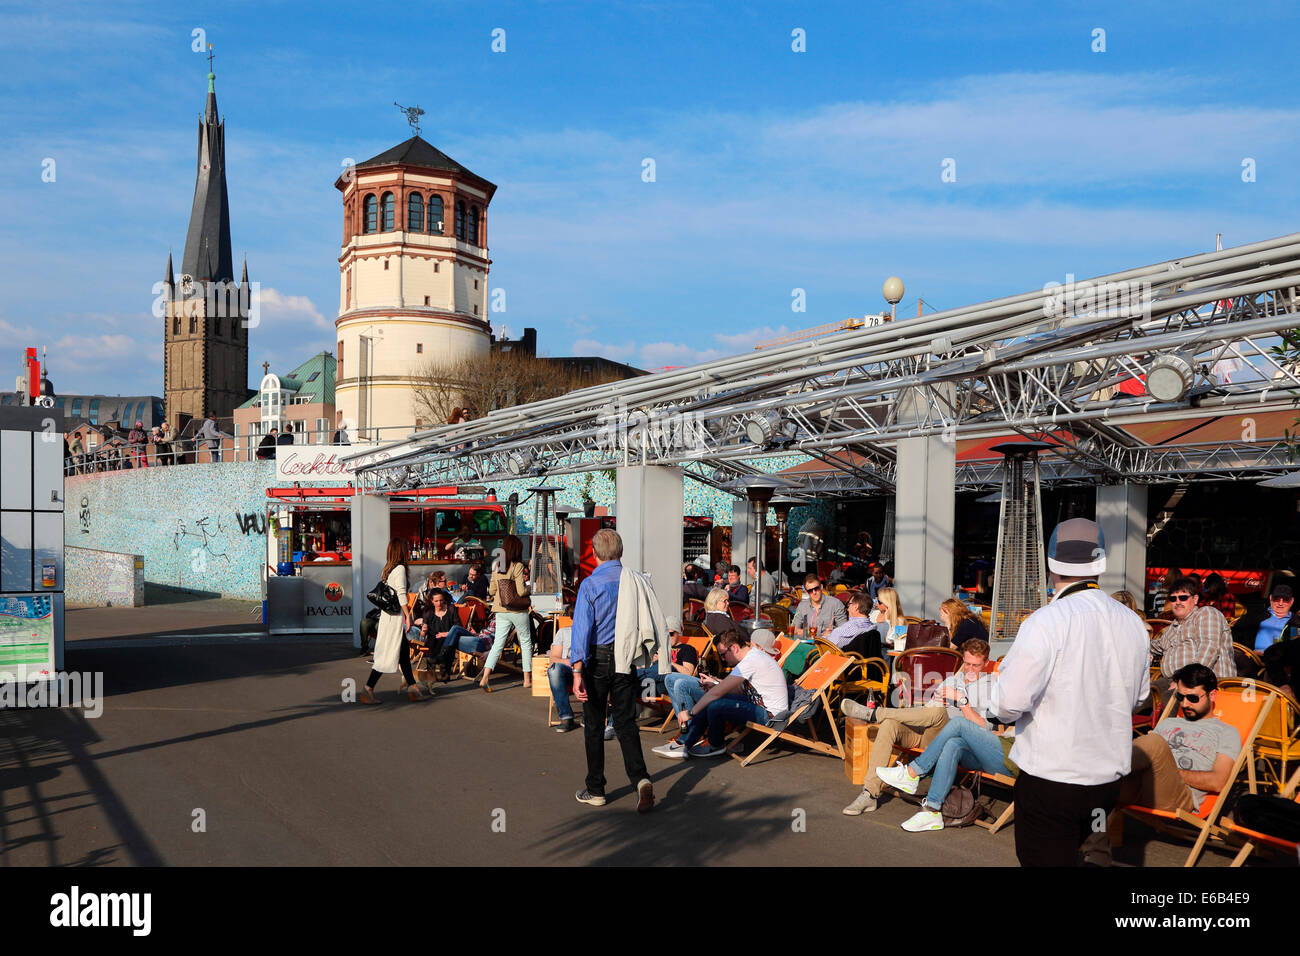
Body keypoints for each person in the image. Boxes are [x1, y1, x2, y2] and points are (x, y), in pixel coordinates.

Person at [986, 517, 1150, 867]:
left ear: (1050, 565)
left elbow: (1007, 703)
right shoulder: (1133, 622)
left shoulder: (1046, 621)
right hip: (1105, 784)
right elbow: (1138, 699)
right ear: (1100, 564)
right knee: (1093, 859)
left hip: (1051, 781)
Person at [1085, 664, 1242, 864]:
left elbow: (1218, 781)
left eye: (1193, 698)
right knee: (1099, 789)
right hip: (1144, 785)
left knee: (1153, 743)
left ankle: (1097, 765)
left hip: (1181, 796)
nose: (1185, 704)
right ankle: (1095, 857)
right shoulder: (1168, 723)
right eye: (1180, 697)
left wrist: (1172, 772)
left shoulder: (1227, 732)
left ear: (1213, 695)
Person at [841, 639, 998, 815]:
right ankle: (869, 794)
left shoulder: (992, 688)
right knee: (890, 725)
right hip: (928, 733)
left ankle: (875, 713)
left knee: (938, 712)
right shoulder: (953, 680)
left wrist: (962, 701)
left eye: (975, 665)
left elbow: (985, 728)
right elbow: (927, 712)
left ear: (986, 663)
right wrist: (937, 701)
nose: (969, 669)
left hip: (953, 742)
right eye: (967, 663)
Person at [570, 528, 665, 812]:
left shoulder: (590, 584)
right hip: (626, 659)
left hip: (597, 660)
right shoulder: (635, 581)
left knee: (594, 725)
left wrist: (577, 671)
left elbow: (582, 630)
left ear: (596, 553)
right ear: (621, 552)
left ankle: (596, 788)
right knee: (625, 723)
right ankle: (640, 779)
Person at [877, 712, 1014, 832]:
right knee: (953, 744)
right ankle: (932, 810)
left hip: (1013, 759)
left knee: (958, 723)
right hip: (1001, 746)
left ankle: (912, 773)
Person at [668, 629, 789, 759]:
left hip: (771, 716)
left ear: (735, 648)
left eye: (724, 654)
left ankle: (715, 745)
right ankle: (685, 742)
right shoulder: (752, 657)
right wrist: (715, 684)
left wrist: (690, 713)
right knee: (712, 698)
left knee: (715, 703)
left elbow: (717, 694)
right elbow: (739, 689)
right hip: (758, 706)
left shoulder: (751, 661)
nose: (723, 659)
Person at [358, 538, 433, 704]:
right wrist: (408, 617)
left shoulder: (388, 569)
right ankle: (368, 688)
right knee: (388, 654)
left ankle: (412, 688)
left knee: (403, 653)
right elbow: (401, 595)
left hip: (388, 617)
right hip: (395, 619)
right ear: (401, 551)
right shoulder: (399, 569)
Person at [1150, 574, 1236, 696]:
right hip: (1171, 679)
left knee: (1165, 702)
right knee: (1138, 698)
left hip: (1203, 682)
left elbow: (1208, 649)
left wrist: (1185, 680)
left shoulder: (1206, 613)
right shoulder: (1173, 627)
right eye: (1173, 599)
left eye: (1183, 598)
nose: (1177, 602)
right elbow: (1153, 646)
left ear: (1195, 599)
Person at [481, 534, 532, 692]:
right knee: (525, 643)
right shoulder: (517, 566)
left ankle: (485, 677)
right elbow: (521, 591)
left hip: (500, 610)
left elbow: (492, 590)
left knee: (498, 644)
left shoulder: (497, 565)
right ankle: (526, 680)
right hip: (517, 610)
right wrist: (531, 589)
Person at [822, 592, 883, 657]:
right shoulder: (872, 628)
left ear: (855, 607)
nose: (847, 609)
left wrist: (828, 635)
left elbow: (830, 644)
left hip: (842, 662)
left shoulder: (850, 627)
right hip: (864, 662)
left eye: (849, 604)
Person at [789, 573, 847, 639]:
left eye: (816, 588)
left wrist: (833, 632)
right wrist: (804, 632)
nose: (814, 592)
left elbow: (844, 630)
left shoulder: (836, 604)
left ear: (821, 587)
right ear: (807, 592)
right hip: (807, 643)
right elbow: (794, 628)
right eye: (810, 590)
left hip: (827, 644)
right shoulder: (802, 606)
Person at [869, 587, 908, 652]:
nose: (876, 604)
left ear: (888, 603)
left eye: (879, 602)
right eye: (876, 600)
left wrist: (888, 622)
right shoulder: (874, 614)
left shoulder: (900, 621)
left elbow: (900, 647)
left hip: (884, 658)